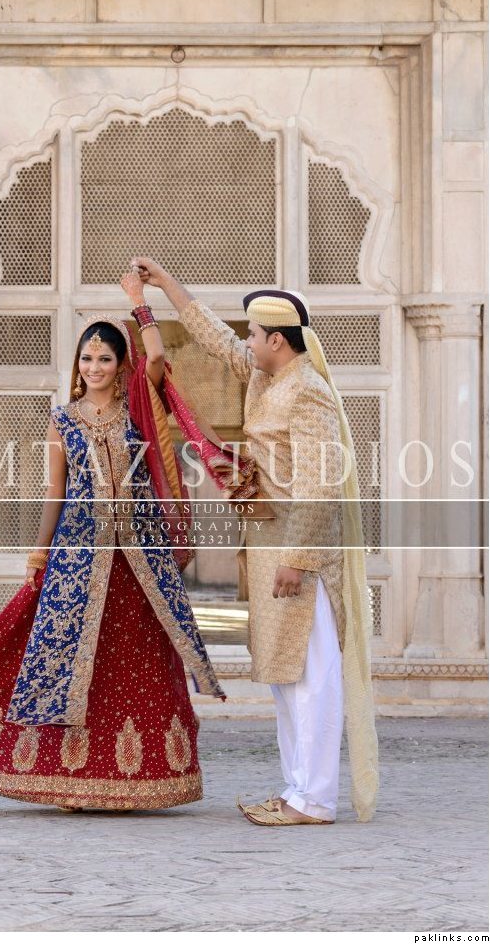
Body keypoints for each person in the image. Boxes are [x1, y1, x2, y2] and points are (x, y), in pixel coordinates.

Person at [0, 269, 256, 812]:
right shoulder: (62, 421)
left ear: (121, 365)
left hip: (140, 558)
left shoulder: (139, 409)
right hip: (78, 557)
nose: (94, 367)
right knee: (64, 660)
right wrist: (40, 552)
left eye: (104, 358)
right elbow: (54, 492)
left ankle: (140, 780)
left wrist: (141, 301)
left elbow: (157, 357)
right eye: (87, 358)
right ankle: (69, 779)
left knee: (134, 661)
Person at [132, 255, 379, 826]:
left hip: (299, 553)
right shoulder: (268, 377)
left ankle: (315, 799)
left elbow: (320, 483)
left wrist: (299, 559)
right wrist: (166, 283)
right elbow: (217, 339)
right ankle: (297, 791)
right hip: (270, 544)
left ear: (277, 340)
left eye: (253, 333)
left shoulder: (307, 391)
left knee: (312, 677)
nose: (245, 341)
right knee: (285, 677)